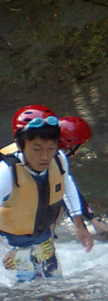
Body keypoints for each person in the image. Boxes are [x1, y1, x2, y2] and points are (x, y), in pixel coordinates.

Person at [0, 106, 94, 281]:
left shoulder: (58, 159)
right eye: (37, 148)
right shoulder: (6, 171)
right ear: (21, 144)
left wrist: (79, 225)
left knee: (56, 292)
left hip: (44, 243)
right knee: (21, 300)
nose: (45, 156)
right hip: (12, 247)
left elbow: (67, 187)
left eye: (51, 148)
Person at [58, 116, 108, 239]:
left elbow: (70, 191)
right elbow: (63, 194)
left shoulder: (48, 153)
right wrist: (81, 227)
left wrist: (92, 219)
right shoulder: (53, 160)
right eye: (81, 144)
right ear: (71, 145)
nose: (81, 149)